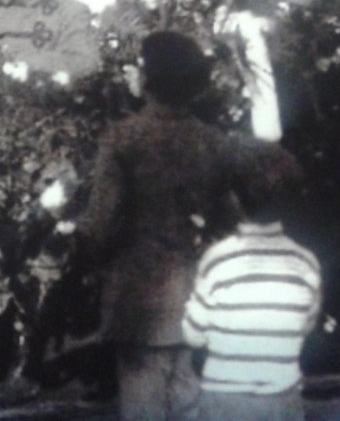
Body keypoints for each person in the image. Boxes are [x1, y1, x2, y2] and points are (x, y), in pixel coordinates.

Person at [72, 31, 238, 421]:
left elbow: (103, 222)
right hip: (194, 292)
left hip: (138, 298)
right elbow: (229, 219)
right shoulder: (211, 141)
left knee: (143, 399)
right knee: (186, 393)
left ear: (148, 79)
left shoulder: (124, 139)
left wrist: (77, 251)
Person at [182, 152, 321, 421]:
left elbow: (193, 335)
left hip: (226, 401)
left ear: (236, 201)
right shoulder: (306, 263)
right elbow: (305, 327)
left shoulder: (217, 260)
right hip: (283, 400)